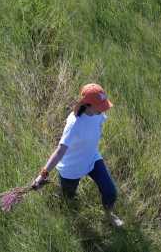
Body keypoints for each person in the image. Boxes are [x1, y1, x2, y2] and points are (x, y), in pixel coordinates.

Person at [31, 83, 124, 227]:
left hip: (92, 159)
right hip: (71, 168)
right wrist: (42, 175)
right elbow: (59, 151)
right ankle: (68, 219)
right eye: (100, 106)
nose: (103, 109)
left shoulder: (98, 113)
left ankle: (109, 215)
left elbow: (97, 126)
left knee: (110, 191)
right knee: (69, 199)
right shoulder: (74, 124)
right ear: (87, 105)